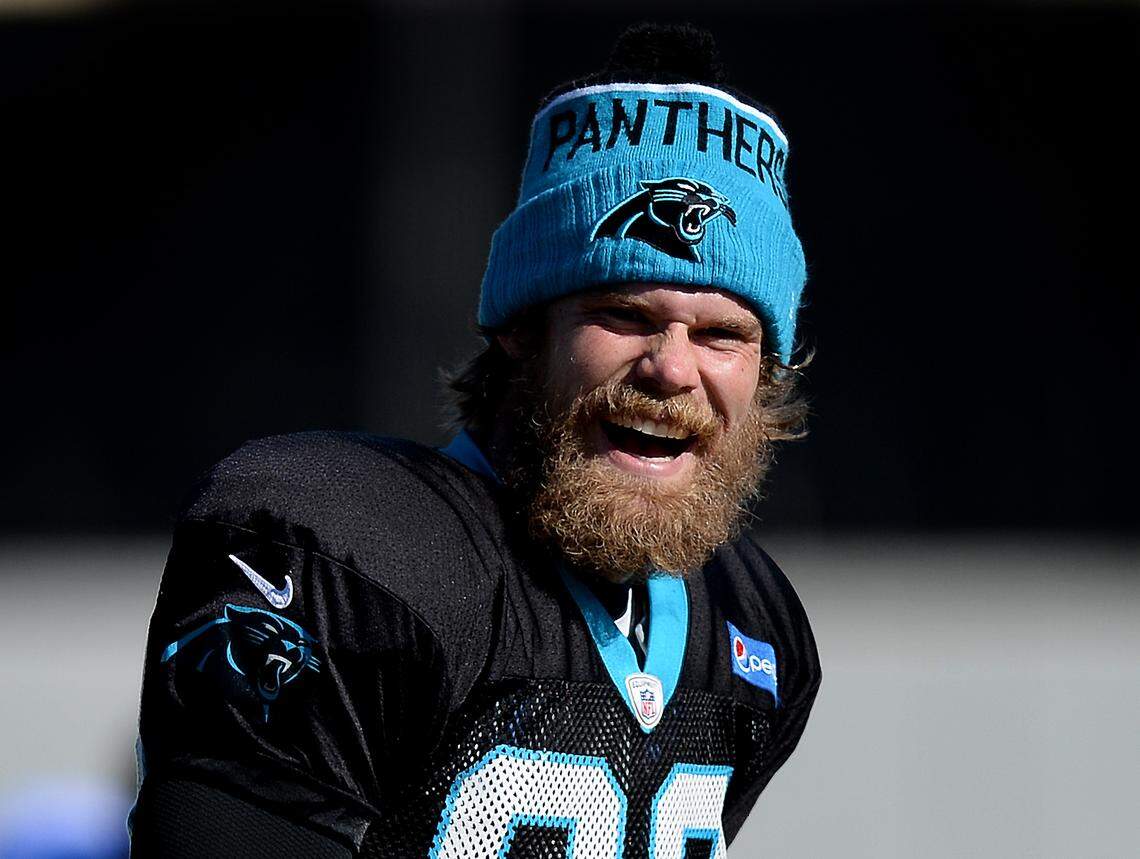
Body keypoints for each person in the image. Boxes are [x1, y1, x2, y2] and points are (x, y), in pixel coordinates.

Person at [130, 23, 820, 858]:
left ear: (767, 369)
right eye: (624, 315)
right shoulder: (354, 560)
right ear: (521, 330)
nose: (671, 368)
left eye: (722, 334)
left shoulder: (753, 632)